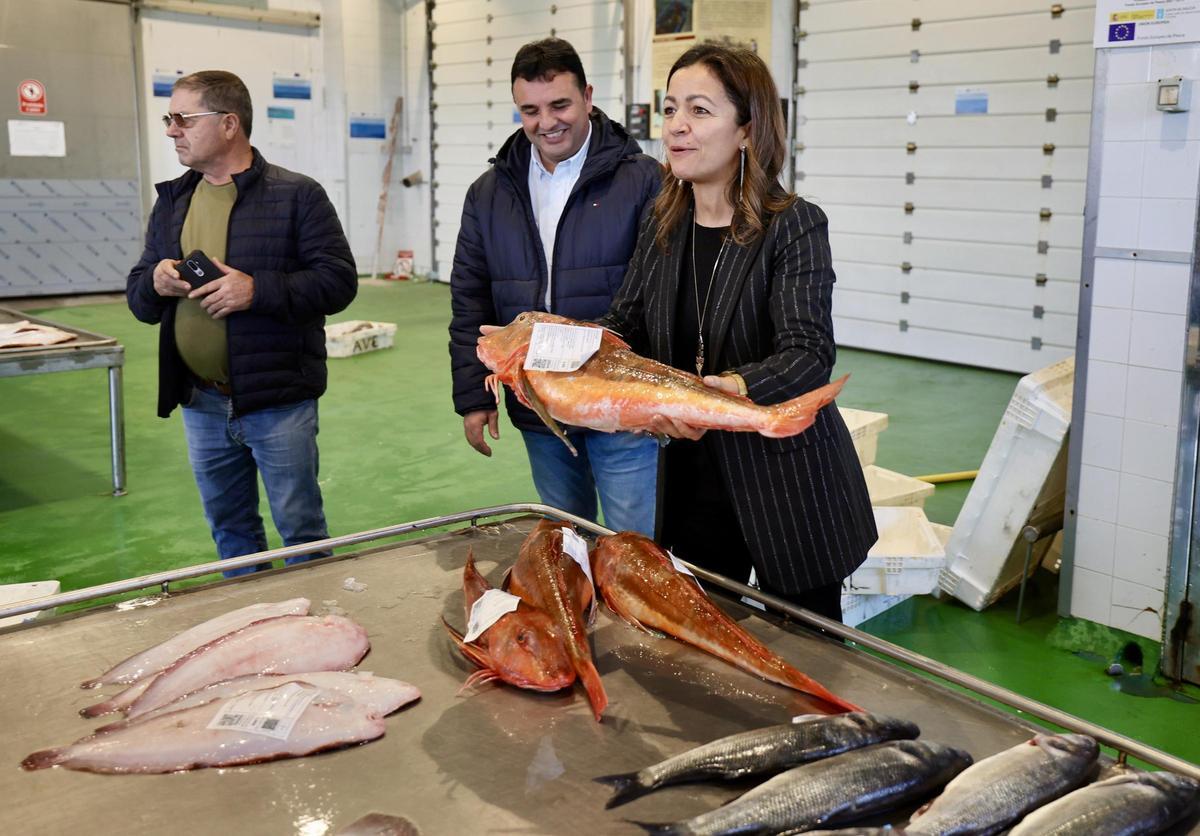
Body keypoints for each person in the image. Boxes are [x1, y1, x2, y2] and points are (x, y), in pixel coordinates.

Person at [598, 44, 877, 622]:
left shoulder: (793, 224)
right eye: (670, 108)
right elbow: (624, 324)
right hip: (696, 476)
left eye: (699, 111)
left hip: (785, 477)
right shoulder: (662, 223)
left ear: (747, 128)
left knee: (807, 652)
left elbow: (808, 353)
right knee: (704, 640)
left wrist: (726, 388)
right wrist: (557, 345)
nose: (676, 126)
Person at [126, 70, 357, 577]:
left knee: (300, 531)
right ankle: (252, 630)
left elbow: (338, 283)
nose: (172, 130)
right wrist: (155, 283)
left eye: (183, 118)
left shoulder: (297, 196)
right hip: (202, 403)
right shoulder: (173, 201)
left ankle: (315, 633)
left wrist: (258, 289)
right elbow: (139, 298)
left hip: (277, 403)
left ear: (230, 124)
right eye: (170, 119)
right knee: (230, 530)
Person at [448, 38, 662, 535]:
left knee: (637, 540)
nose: (547, 122)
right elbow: (469, 299)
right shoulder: (488, 193)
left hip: (620, 404)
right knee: (567, 536)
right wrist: (473, 396)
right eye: (530, 110)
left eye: (560, 104)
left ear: (587, 96)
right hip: (539, 407)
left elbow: (660, 293)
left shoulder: (645, 180)